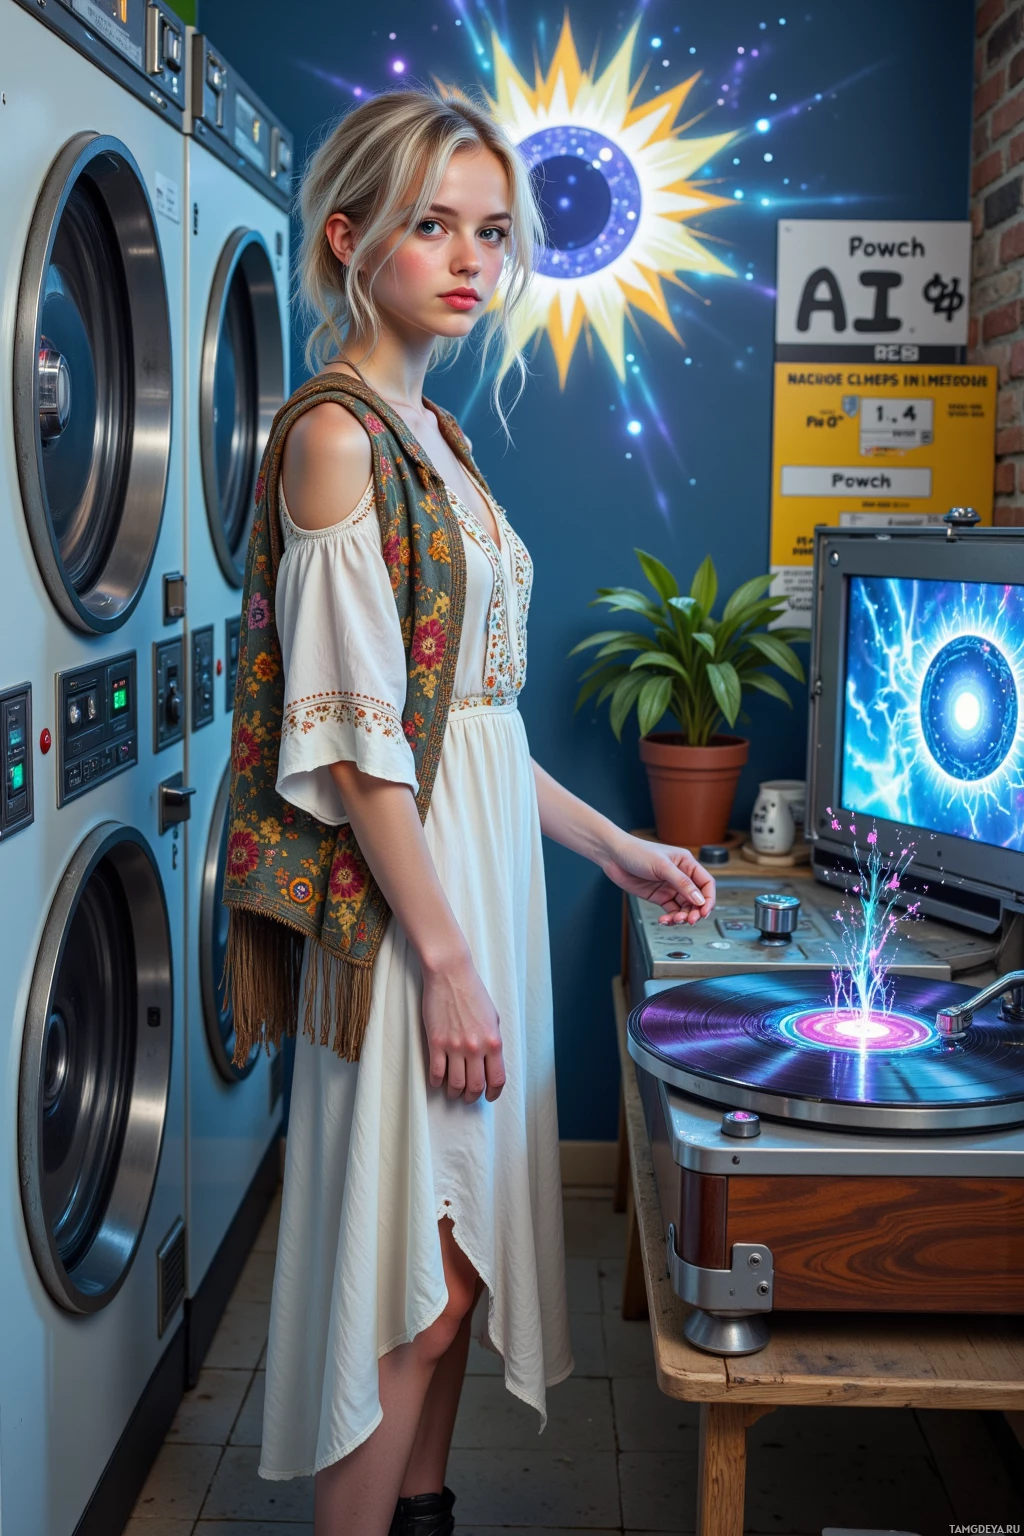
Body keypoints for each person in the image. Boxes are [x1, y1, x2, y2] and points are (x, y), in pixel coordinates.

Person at [229, 86, 717, 1536]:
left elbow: (476, 735)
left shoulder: (433, 432)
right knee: (415, 1291)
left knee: (458, 1285)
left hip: (476, 884)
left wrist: (615, 845)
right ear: (349, 234)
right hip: (412, 916)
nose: (468, 259)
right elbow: (362, 748)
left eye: (492, 233)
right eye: (432, 224)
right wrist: (441, 956)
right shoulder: (336, 439)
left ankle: (419, 1511)